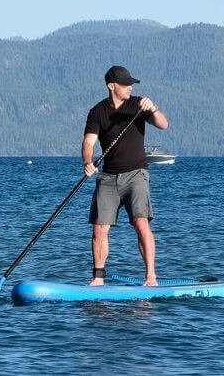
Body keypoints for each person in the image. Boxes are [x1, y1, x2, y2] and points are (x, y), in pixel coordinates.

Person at [82, 65, 169, 286]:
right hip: (108, 177)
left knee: (141, 223)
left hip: (136, 175)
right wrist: (87, 162)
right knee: (99, 228)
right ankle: (98, 278)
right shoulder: (97, 112)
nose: (130, 87)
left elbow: (163, 125)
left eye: (131, 84)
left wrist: (154, 108)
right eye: (125, 84)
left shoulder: (139, 104)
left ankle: (150, 277)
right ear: (112, 86)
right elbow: (88, 142)